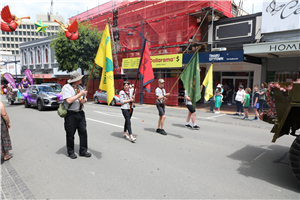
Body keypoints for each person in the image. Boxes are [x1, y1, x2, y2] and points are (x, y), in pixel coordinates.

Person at [62, 71, 90, 159]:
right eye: (79, 78)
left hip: (80, 113)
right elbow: (69, 100)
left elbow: (82, 100)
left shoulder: (80, 88)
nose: (81, 79)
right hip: (71, 114)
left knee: (83, 132)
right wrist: (80, 94)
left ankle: (83, 151)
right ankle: (70, 152)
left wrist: (84, 99)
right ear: (75, 80)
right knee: (70, 134)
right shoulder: (66, 87)